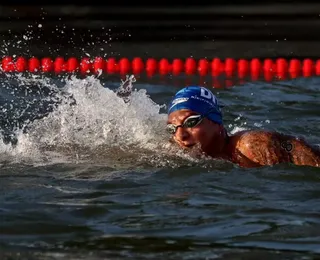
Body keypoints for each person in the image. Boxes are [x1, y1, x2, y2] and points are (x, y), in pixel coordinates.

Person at [166, 86, 320, 168]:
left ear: (216, 122)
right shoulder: (176, 152)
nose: (180, 136)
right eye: (172, 128)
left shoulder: (252, 146)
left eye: (191, 122)